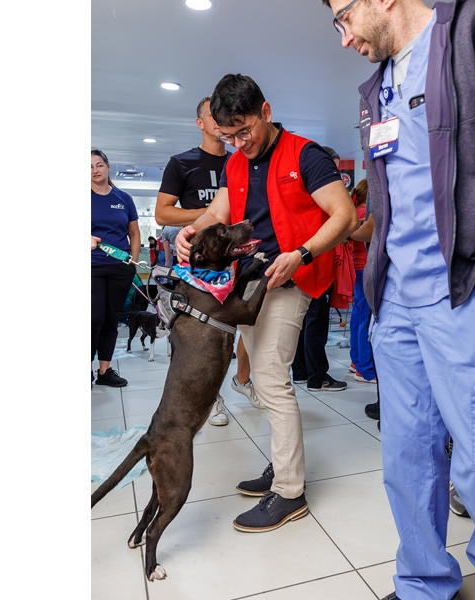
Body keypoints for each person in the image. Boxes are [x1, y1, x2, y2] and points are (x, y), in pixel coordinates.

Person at [320, 1, 475, 599]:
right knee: (407, 455)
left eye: (343, 18)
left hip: (466, 286)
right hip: (397, 298)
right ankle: (424, 581)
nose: (343, 38)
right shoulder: (375, 90)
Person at [175, 74, 358, 533]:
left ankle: (290, 491)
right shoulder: (237, 163)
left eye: (244, 131)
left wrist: (301, 254)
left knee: (272, 380)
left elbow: (344, 214)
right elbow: (219, 211)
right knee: (260, 374)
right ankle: (281, 466)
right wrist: (190, 230)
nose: (239, 143)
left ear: (266, 112)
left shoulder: (306, 155)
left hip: (292, 278)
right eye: (229, 136)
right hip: (252, 283)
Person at [155, 96, 250, 426]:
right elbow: (163, 212)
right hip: (195, 265)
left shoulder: (240, 160)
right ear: (201, 123)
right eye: (213, 115)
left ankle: (242, 380)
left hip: (231, 259)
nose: (220, 119)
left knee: (239, 324)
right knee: (196, 339)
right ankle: (214, 400)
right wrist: (212, 217)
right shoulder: (182, 163)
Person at [290, 145, 349, 392]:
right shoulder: (319, 197)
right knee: (315, 321)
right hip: (314, 262)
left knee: (303, 322)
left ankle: (302, 371)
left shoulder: (305, 194)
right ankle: (318, 376)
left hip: (302, 259)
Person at [91, 149, 140, 388]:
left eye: (99, 165)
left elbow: (134, 233)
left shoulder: (124, 198)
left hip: (120, 267)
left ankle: (105, 370)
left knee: (112, 318)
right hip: (92, 266)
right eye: (89, 167)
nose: (94, 170)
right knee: (93, 318)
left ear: (108, 167)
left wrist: (133, 261)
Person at [347, 178, 376, 385]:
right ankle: (365, 369)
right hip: (365, 269)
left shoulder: (355, 212)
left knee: (358, 318)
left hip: (356, 270)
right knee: (365, 321)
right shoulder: (365, 214)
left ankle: (356, 362)